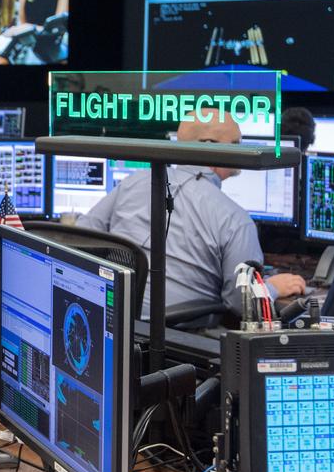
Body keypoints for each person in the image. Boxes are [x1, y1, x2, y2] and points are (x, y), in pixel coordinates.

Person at [78, 116, 306, 325]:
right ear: (207, 145)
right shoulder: (235, 219)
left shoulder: (132, 183)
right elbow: (241, 303)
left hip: (115, 325)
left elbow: (84, 234)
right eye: (236, 143)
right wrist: (272, 288)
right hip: (181, 343)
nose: (242, 150)